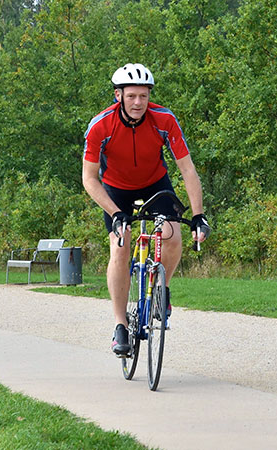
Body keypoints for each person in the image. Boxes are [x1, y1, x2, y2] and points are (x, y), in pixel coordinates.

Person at [82, 63, 210, 355]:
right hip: (115, 188)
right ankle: (120, 326)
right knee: (120, 246)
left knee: (173, 235)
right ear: (118, 96)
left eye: (144, 96)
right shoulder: (100, 125)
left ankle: (161, 289)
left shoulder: (164, 119)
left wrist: (199, 214)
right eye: (131, 96)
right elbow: (89, 179)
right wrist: (115, 213)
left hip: (155, 183)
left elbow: (188, 170)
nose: (138, 102)